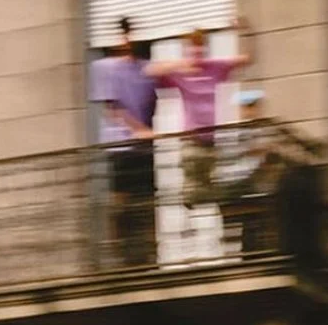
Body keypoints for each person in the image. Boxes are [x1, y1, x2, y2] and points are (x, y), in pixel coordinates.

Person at [148, 22, 252, 210]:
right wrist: (180, 65)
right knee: (192, 195)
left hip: (211, 142)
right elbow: (150, 71)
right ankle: (187, 207)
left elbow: (246, 59)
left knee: (210, 197)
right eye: (193, 47)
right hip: (191, 141)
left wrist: (244, 32)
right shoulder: (181, 72)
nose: (197, 52)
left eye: (200, 46)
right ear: (187, 50)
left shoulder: (215, 67)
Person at [89, 17, 158, 266]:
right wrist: (141, 130)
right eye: (124, 33)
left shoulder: (146, 68)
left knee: (147, 201)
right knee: (121, 202)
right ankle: (118, 257)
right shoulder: (105, 68)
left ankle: (149, 257)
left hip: (143, 148)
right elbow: (112, 108)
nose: (128, 39)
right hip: (121, 147)